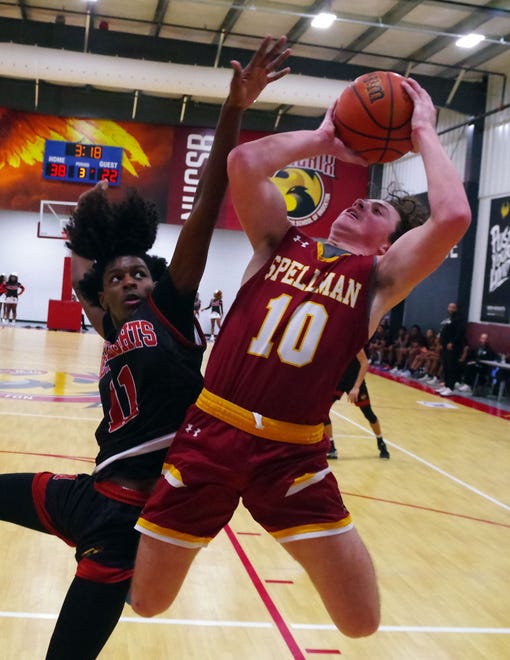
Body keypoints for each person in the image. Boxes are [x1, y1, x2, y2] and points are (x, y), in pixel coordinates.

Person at [131, 75, 471, 638]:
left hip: (292, 457)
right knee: (147, 602)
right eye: (362, 198)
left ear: (390, 244)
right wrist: (325, 138)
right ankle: (113, 521)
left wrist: (424, 131)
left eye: (378, 210)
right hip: (210, 434)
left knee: (360, 622)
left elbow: (453, 217)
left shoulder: (380, 279)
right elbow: (243, 163)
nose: (362, 201)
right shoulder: (278, 241)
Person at [0, 37, 290, 660]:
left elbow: (206, 207)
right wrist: (87, 218)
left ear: (157, 282)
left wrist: (234, 109)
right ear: (100, 295)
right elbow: (85, 257)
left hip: (128, 522)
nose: (131, 280)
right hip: (87, 493)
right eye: (117, 276)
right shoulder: (107, 328)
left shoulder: (171, 310)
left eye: (140, 273)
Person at [325, 349, 390, 460]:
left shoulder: (353, 341)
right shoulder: (333, 340)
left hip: (354, 381)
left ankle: (381, 442)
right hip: (339, 380)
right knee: (323, 411)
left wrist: (356, 387)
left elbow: (364, 363)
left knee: (368, 413)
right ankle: (331, 447)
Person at [436, 302, 466, 396]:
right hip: (444, 346)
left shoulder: (459, 319)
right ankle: (446, 385)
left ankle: (451, 387)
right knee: (445, 366)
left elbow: (460, 333)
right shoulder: (448, 319)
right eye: (449, 307)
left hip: (453, 347)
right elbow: (443, 332)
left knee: (451, 367)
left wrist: (452, 342)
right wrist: (441, 342)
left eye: (453, 307)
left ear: (456, 309)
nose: (450, 309)